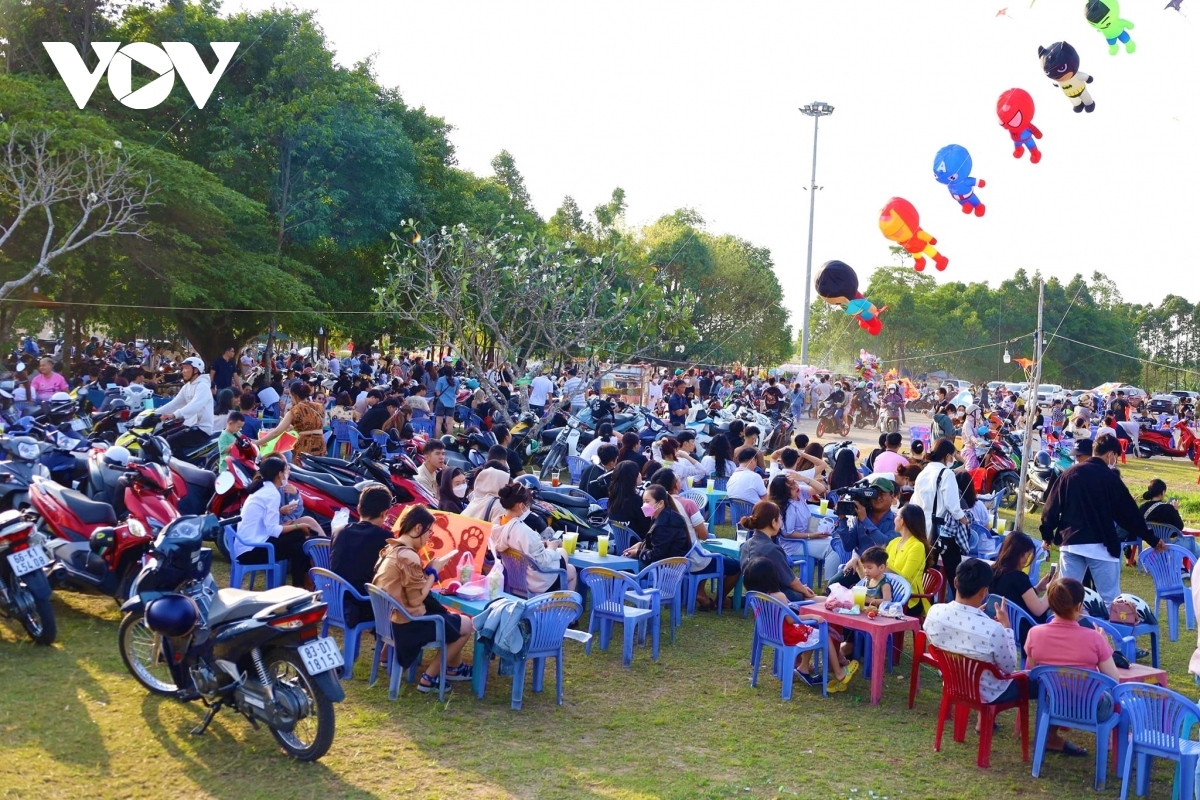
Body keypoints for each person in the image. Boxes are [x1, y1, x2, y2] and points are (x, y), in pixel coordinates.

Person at [1040, 433, 1164, 604]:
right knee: (1110, 601)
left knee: (1066, 599)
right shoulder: (1111, 479)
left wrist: (1047, 534)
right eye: (1117, 457)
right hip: (1101, 547)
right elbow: (1129, 515)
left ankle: (1063, 630)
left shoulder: (1069, 474)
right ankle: (1106, 631)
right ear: (1111, 454)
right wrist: (1151, 538)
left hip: (1071, 544)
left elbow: (1050, 507)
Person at [372, 504, 474, 692]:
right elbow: (416, 600)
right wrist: (434, 572)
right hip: (408, 624)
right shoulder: (409, 556)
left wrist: (428, 572)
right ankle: (429, 678)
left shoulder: (391, 549)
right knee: (466, 624)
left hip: (390, 622)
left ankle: (452, 668)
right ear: (417, 528)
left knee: (452, 619)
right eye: (429, 533)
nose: (429, 538)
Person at [1023, 577, 1120, 757]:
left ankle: (1051, 735)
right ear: (1079, 606)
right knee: (1120, 699)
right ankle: (1115, 743)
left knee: (1054, 685)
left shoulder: (1034, 634)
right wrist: (1106, 646)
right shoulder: (1095, 638)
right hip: (1092, 708)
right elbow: (1114, 680)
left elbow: (1033, 673)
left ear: (1051, 604)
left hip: (1053, 703)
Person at [742, 555, 858, 692]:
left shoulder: (757, 595)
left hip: (770, 633)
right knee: (823, 633)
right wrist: (813, 616)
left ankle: (804, 667)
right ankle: (839, 672)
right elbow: (791, 620)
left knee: (810, 631)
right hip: (786, 635)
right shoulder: (779, 596)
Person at [923, 559, 1021, 707]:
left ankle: (984, 721)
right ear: (984, 591)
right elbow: (1008, 667)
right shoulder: (994, 630)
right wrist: (1007, 628)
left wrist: (973, 617)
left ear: (955, 582)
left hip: (952, 682)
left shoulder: (934, 612)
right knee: (1035, 682)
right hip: (987, 692)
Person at [234, 456, 322, 588]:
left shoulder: (264, 489)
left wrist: (292, 526)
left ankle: (301, 587)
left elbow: (270, 527)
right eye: (286, 469)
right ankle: (303, 586)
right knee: (300, 536)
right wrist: (299, 525)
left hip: (250, 546)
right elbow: (273, 531)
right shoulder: (271, 494)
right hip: (251, 550)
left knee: (299, 545)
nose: (288, 472)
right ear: (279, 474)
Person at [910, 438, 973, 595]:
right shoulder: (946, 474)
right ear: (947, 456)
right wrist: (965, 520)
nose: (952, 459)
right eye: (952, 455)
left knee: (927, 575)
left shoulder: (923, 472)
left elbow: (914, 501)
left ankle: (926, 603)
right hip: (942, 532)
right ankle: (960, 603)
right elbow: (953, 506)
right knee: (955, 575)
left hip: (922, 529)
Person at [490, 482, 576, 591]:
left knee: (566, 564)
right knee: (570, 568)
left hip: (514, 578)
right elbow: (542, 561)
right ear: (521, 505)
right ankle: (563, 605)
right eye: (528, 504)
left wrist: (541, 545)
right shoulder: (522, 530)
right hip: (534, 582)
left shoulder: (496, 525)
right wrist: (552, 547)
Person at [738, 500, 817, 604]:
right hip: (780, 599)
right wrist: (804, 590)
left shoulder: (745, 545)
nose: (781, 522)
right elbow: (790, 581)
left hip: (757, 597)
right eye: (780, 518)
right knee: (823, 602)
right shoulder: (771, 549)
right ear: (773, 522)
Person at [831, 476, 898, 587]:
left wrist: (865, 521)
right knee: (833, 586)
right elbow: (848, 546)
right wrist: (842, 519)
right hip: (861, 568)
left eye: (882, 494)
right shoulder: (861, 516)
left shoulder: (896, 521)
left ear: (892, 497)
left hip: (883, 572)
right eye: (874, 494)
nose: (877, 498)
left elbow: (885, 544)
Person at [989, 532, 1052, 628]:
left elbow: (1015, 597)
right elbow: (1038, 610)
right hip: (1023, 629)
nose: (1027, 559)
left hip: (998, 624)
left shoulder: (992, 571)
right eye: (1027, 555)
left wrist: (1039, 588)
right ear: (1018, 554)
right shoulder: (1019, 577)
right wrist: (1050, 590)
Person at [622, 484, 692, 567]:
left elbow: (657, 555)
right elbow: (655, 543)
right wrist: (641, 544)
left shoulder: (666, 524)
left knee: (624, 568)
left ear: (660, 503)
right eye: (643, 501)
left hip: (664, 568)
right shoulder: (659, 516)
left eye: (647, 501)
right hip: (658, 563)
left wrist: (638, 552)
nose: (644, 505)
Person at [257, 381, 326, 460]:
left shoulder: (295, 410)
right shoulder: (319, 407)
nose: (291, 399)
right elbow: (311, 424)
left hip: (305, 446)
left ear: (295, 396)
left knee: (301, 470)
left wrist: (258, 442)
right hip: (320, 445)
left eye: (290, 397)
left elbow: (276, 432)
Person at [885, 504, 930, 615]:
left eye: (896, 516)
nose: (894, 519)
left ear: (903, 521)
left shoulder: (917, 546)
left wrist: (883, 566)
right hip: (887, 593)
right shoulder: (893, 542)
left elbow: (904, 578)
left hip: (909, 599)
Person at [157, 356, 215, 433]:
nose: (183, 371)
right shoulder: (186, 387)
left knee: (168, 441)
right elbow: (174, 404)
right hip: (189, 425)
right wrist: (155, 413)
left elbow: (195, 405)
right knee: (160, 436)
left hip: (201, 429)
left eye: (186, 368)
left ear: (196, 370)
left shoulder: (203, 386)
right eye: (183, 368)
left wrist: (174, 415)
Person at [608, 461, 651, 539]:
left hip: (619, 544)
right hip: (637, 546)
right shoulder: (640, 502)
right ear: (632, 477)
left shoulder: (612, 500)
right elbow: (650, 528)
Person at [433, 365, 458, 436]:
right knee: (449, 423)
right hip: (451, 403)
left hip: (441, 402)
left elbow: (437, 393)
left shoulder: (441, 379)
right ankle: (449, 440)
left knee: (438, 422)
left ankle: (437, 439)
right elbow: (457, 392)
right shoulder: (456, 380)